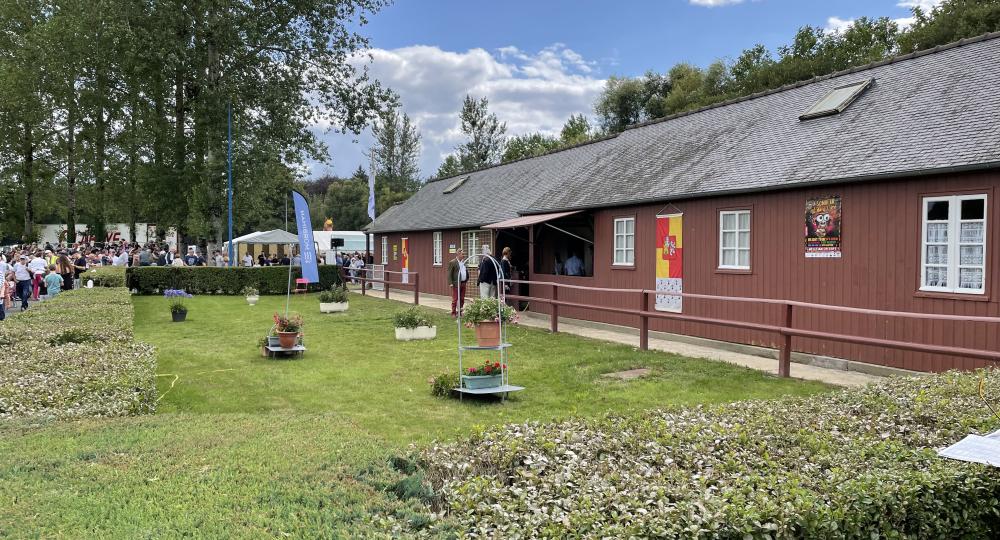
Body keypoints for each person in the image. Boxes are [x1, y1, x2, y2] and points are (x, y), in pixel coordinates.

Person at [447, 248, 469, 317]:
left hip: (463, 283)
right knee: (455, 299)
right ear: (458, 254)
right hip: (456, 283)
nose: (464, 255)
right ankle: (453, 312)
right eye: (463, 254)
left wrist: (466, 278)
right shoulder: (452, 262)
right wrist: (450, 283)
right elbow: (449, 273)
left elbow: (465, 271)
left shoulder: (463, 262)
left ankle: (460, 312)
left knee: (462, 298)